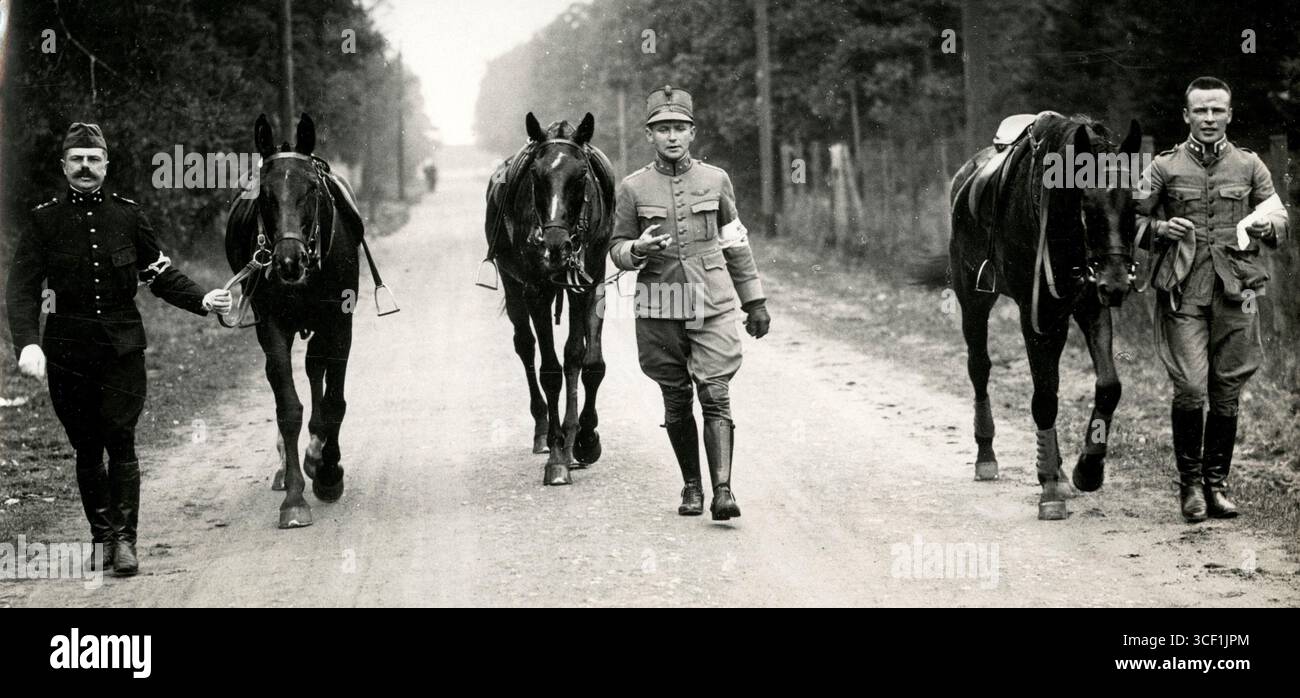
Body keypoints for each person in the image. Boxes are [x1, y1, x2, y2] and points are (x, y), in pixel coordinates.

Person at [6, 122, 233, 575]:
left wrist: (202, 300)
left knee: (121, 438)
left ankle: (126, 541)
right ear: (64, 165)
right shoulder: (44, 220)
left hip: (122, 350)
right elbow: (22, 291)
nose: (86, 167)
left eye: (94, 159)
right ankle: (101, 538)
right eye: (77, 159)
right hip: (67, 352)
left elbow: (160, 274)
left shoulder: (128, 216)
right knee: (87, 446)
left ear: (107, 165)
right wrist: (28, 343)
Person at [608, 85, 771, 521]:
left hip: (711, 298)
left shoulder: (715, 180)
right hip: (660, 300)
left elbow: (734, 242)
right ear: (649, 135)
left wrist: (754, 301)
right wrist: (636, 250)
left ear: (693, 132)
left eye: (679, 128)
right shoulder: (632, 187)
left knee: (715, 392)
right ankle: (692, 486)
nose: (672, 137)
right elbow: (617, 247)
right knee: (676, 399)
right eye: (663, 129)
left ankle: (723, 490)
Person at [1136, 77, 1288, 522]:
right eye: (1200, 111)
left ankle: (1216, 485)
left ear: (1229, 115)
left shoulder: (1250, 165)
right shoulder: (1163, 168)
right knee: (1189, 387)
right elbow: (1128, 223)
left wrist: (1268, 227)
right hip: (1183, 291)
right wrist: (1162, 230)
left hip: (1237, 293)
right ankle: (1190, 487)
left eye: (1216, 110)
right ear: (1186, 116)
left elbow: (1279, 216)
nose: (1208, 118)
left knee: (1226, 391)